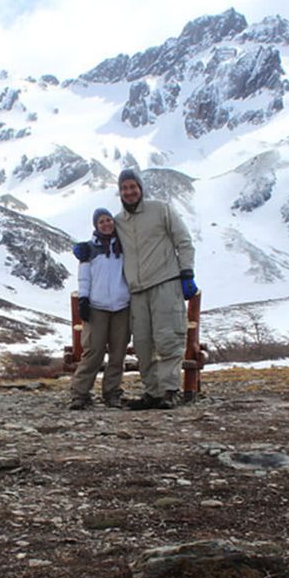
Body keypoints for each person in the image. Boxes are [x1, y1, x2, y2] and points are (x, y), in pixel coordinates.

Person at [113, 168, 197, 410]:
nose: (129, 192)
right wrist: (88, 250)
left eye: (133, 187)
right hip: (137, 290)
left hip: (165, 283)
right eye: (124, 188)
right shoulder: (119, 221)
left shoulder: (161, 209)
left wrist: (187, 273)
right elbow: (105, 237)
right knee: (143, 344)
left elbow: (184, 241)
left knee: (168, 339)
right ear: (120, 192)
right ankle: (152, 392)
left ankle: (170, 391)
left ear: (140, 188)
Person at [68, 208, 131, 410]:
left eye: (108, 220)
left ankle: (112, 392)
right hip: (97, 307)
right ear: (96, 226)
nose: (106, 224)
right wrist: (83, 299)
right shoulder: (88, 249)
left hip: (122, 306)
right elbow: (84, 277)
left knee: (118, 352)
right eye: (101, 221)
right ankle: (80, 393)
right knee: (93, 351)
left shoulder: (125, 246)